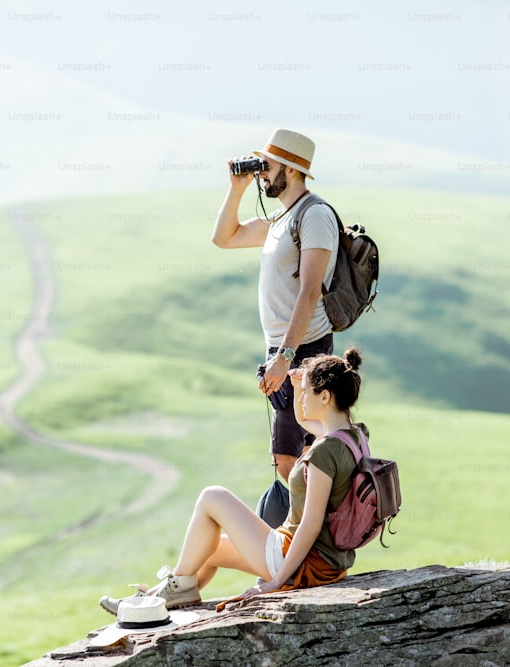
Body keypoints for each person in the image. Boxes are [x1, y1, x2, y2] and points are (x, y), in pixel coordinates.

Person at [100, 349, 365, 614]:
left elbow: (310, 525)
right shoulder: (353, 437)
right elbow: (303, 419)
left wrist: (275, 582)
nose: (303, 397)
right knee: (207, 549)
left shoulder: (323, 453)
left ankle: (158, 599)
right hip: (327, 562)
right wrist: (298, 386)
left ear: (326, 396)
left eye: (308, 391)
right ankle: (162, 601)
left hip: (304, 562)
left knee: (212, 496)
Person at [211, 128, 339, 483]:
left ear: (292, 170)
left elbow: (310, 291)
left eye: (267, 165)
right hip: (283, 348)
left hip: (305, 349)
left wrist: (285, 358)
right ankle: (307, 533)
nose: (261, 173)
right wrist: (236, 190)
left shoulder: (313, 216)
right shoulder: (279, 220)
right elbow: (224, 237)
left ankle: (307, 534)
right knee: (296, 458)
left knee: (291, 460)